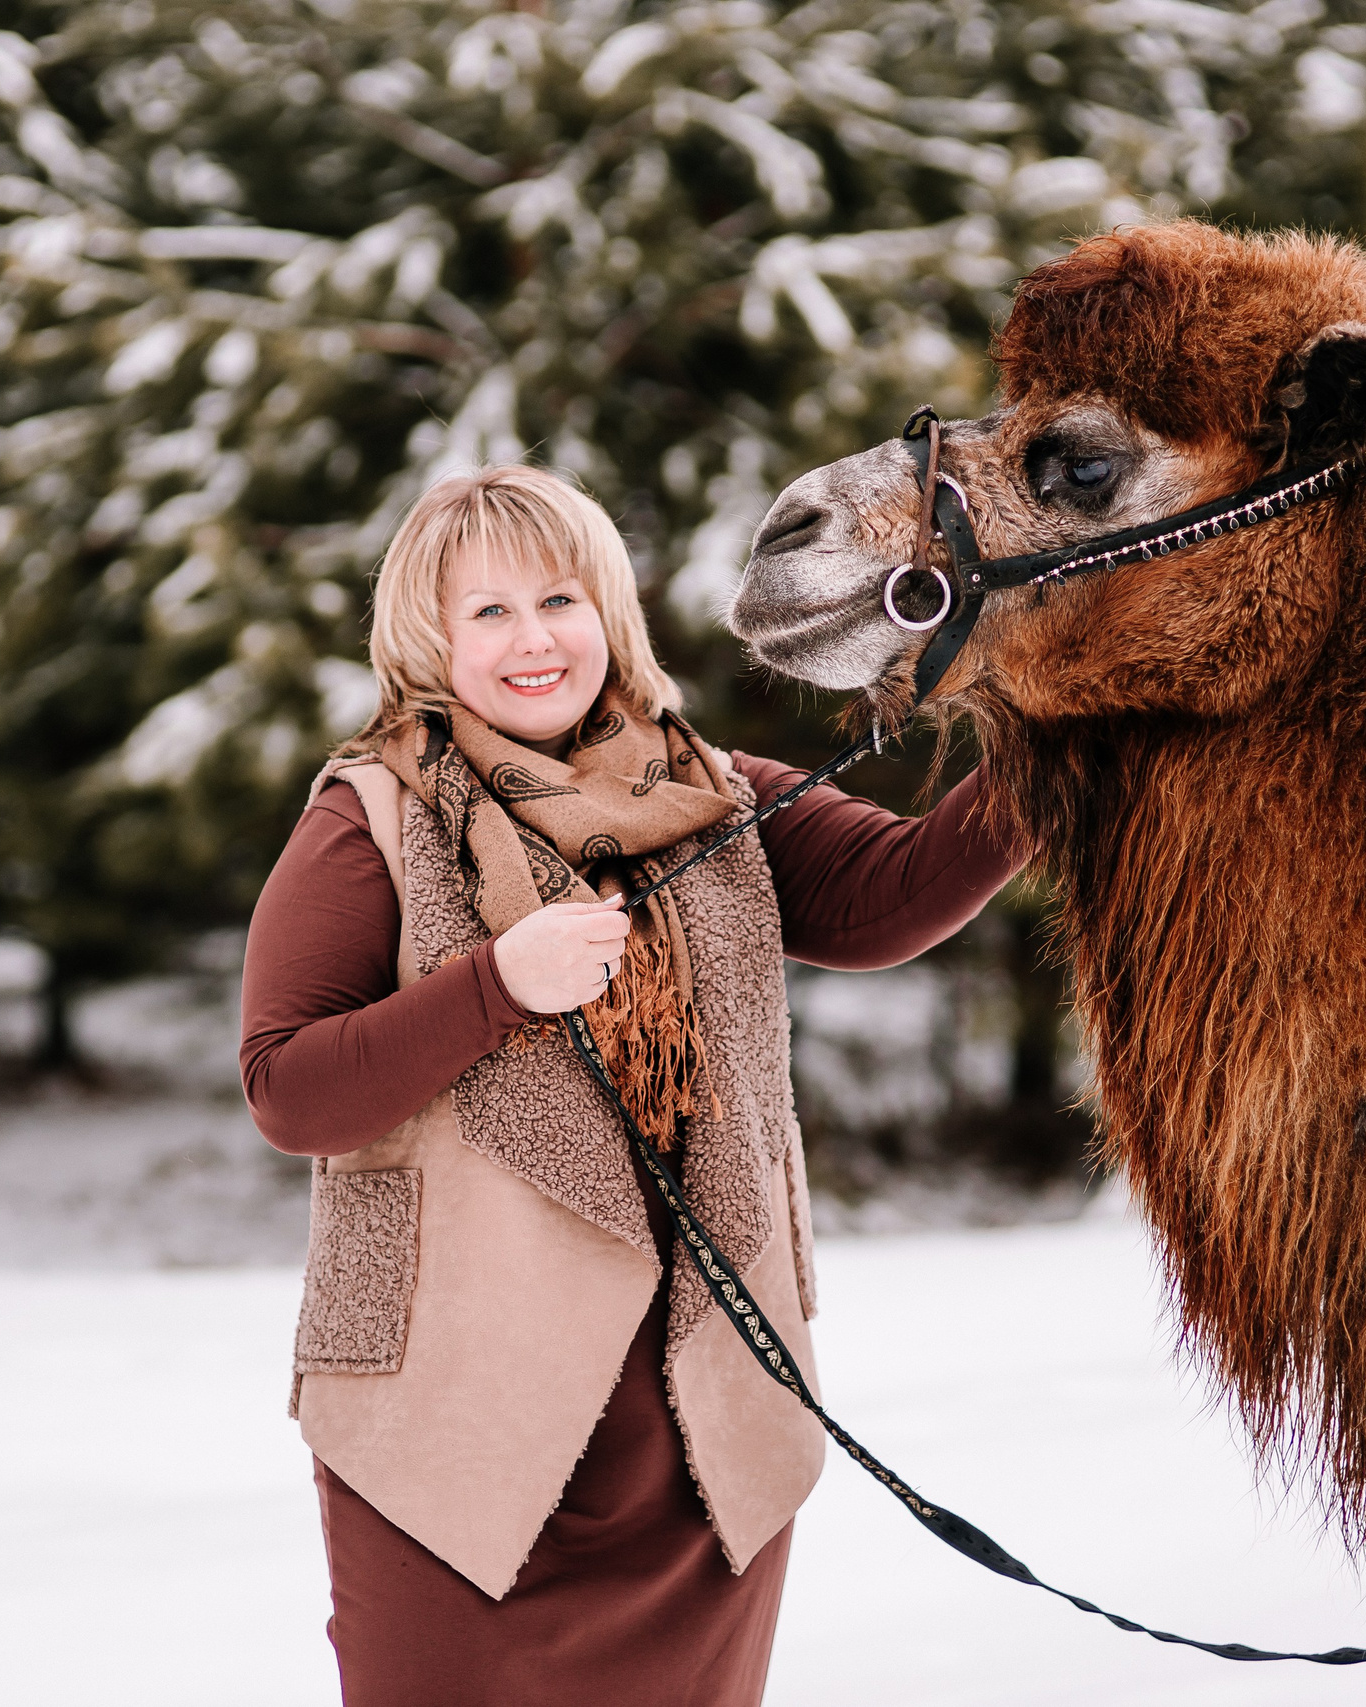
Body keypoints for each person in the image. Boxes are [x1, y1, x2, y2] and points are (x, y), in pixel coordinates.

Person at [240, 463, 1023, 1706]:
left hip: (699, 1424)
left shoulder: (707, 788)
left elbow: (894, 896)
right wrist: (497, 984)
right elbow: (289, 1090)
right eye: (485, 611)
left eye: (558, 598)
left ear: (607, 610)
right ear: (426, 638)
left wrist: (1073, 736)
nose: (533, 638)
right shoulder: (371, 818)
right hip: (457, 1431)